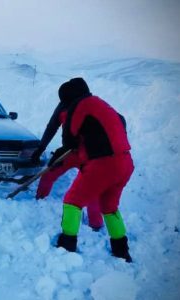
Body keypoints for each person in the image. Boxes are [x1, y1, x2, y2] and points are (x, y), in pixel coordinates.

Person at [51, 78, 134, 262]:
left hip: (104, 164)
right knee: (110, 207)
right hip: (125, 162)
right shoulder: (103, 105)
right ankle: (121, 250)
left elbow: (70, 142)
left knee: (73, 200)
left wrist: (56, 158)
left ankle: (66, 246)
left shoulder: (79, 106)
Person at [30, 91, 103, 230]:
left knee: (92, 187)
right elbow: (52, 127)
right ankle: (40, 201)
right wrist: (40, 149)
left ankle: (96, 224)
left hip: (90, 154)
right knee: (49, 172)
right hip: (69, 152)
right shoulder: (63, 105)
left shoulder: (93, 104)